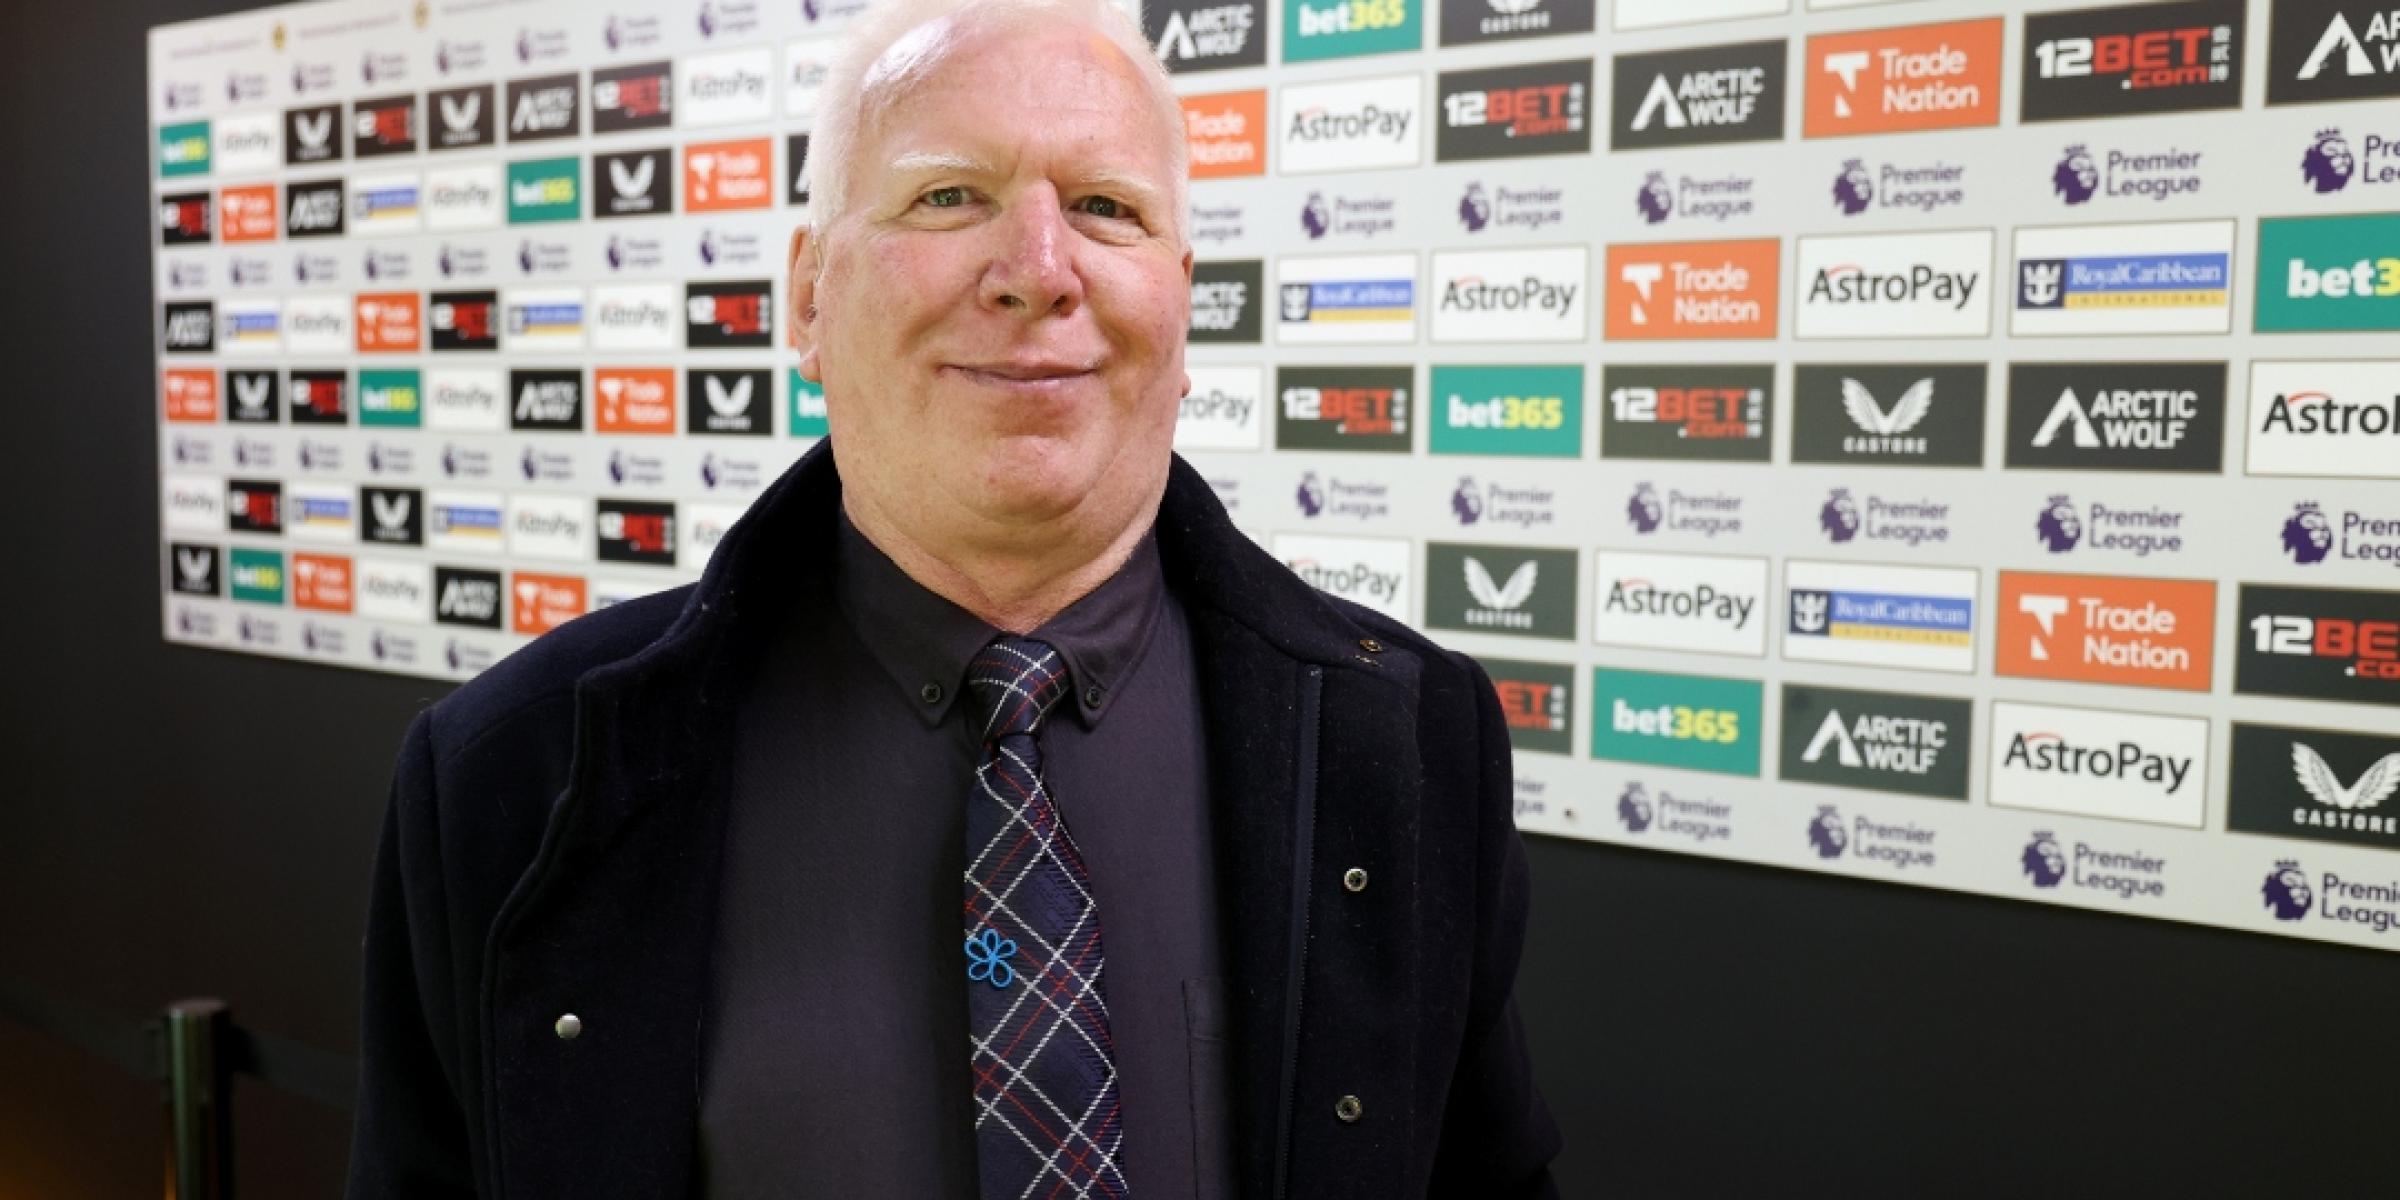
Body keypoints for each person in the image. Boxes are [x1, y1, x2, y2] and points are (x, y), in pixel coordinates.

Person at [346, 0, 1560, 1194]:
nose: (1038, 272)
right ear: (809, 297)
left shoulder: (1409, 744)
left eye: (1105, 207)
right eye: (949, 196)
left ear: (1183, 303)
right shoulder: (509, 777)